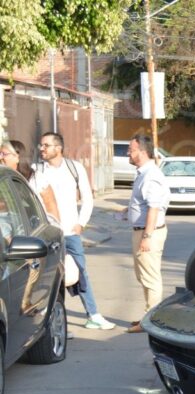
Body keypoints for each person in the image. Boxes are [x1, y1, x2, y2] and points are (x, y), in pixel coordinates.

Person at [30, 132, 116, 330]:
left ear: (58, 148)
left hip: (70, 231)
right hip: (48, 234)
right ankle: (56, 323)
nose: (41, 148)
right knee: (51, 277)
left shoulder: (74, 168)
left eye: (46, 145)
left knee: (80, 272)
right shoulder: (38, 171)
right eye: (41, 145)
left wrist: (81, 223)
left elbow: (87, 198)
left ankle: (93, 314)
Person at [125, 133, 170, 333]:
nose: (128, 153)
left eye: (131, 150)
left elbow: (154, 208)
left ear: (142, 152)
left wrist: (147, 236)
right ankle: (148, 316)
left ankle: (152, 321)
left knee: (150, 277)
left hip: (148, 233)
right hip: (142, 231)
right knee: (144, 276)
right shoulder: (144, 173)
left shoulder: (151, 176)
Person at [1, 140, 60, 219]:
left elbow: (51, 206)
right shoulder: (3, 179)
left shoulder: (36, 179)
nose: (0, 158)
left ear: (18, 157)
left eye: (4, 154)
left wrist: (54, 229)